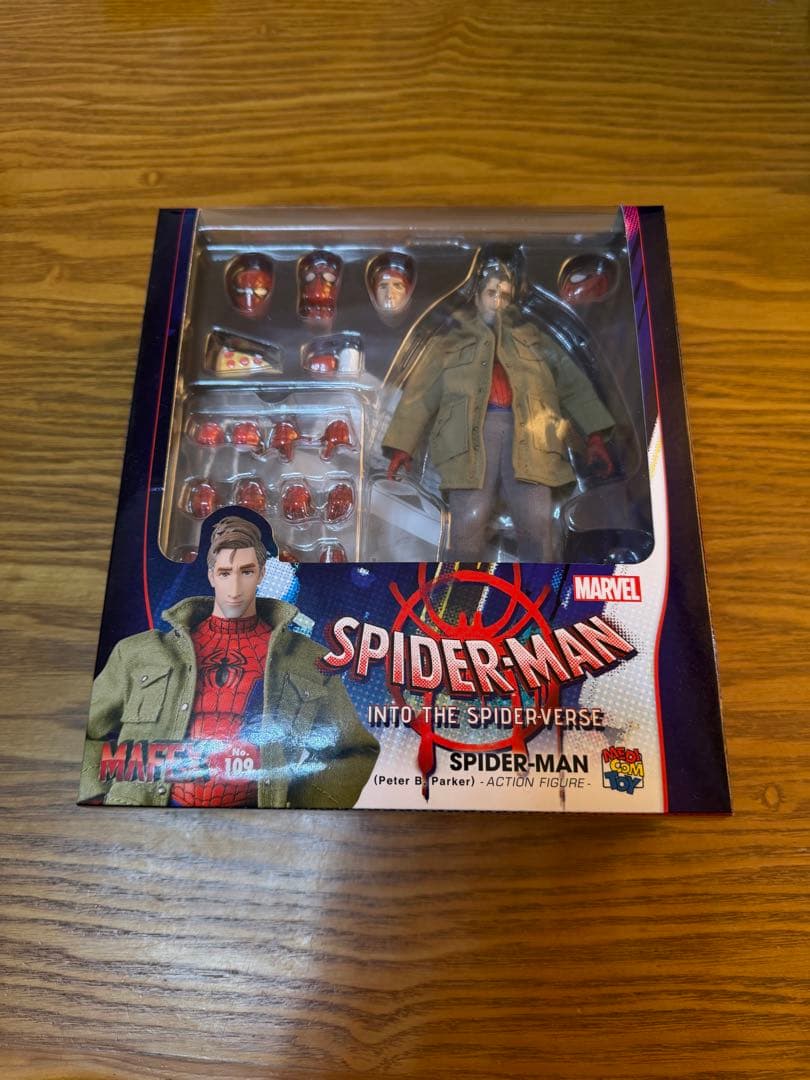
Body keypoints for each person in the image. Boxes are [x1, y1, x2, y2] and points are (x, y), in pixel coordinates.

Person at [79, 516, 379, 808]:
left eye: (246, 572)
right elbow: (84, 730)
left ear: (262, 574)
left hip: (259, 824)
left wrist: (303, 804)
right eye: (225, 573)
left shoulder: (310, 661)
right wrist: (99, 794)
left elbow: (357, 751)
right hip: (145, 815)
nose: (235, 589)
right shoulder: (139, 652)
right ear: (211, 575)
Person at [383, 258, 615, 561]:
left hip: (531, 441)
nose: (497, 301)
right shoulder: (449, 343)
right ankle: (462, 584)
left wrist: (594, 436)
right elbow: (420, 395)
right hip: (468, 443)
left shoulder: (536, 340)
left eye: (504, 295)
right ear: (478, 296)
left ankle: (542, 586)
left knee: (536, 522)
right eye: (491, 293)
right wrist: (402, 446)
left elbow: (574, 386)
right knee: (467, 524)